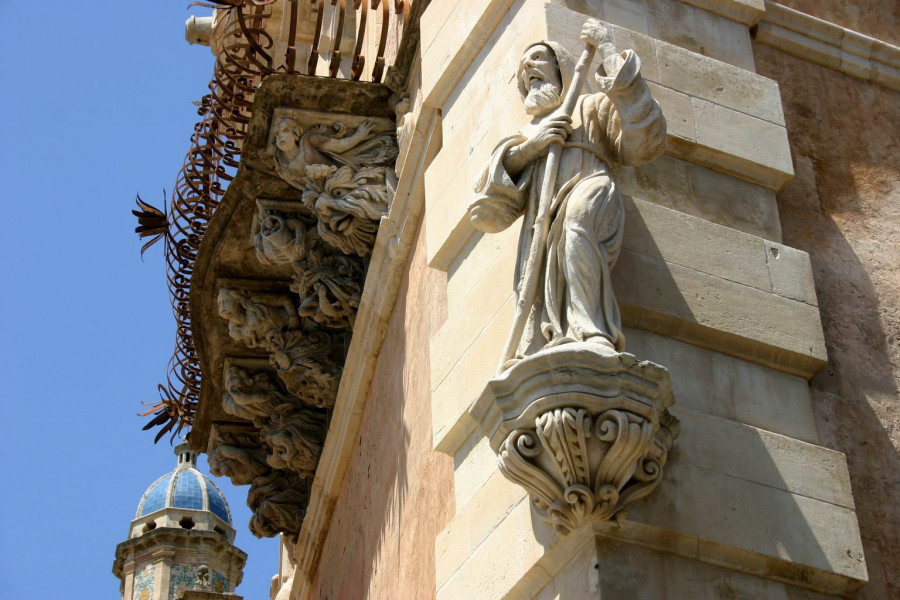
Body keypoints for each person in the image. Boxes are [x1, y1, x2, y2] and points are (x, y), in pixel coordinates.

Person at [468, 19, 666, 365]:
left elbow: (644, 142)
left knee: (576, 224)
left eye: (538, 58)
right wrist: (533, 147)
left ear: (561, 66)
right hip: (541, 221)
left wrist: (607, 52)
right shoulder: (525, 133)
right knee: (545, 265)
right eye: (523, 67)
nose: (529, 66)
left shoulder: (588, 107)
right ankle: (551, 340)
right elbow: (486, 208)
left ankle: (591, 332)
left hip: (591, 188)